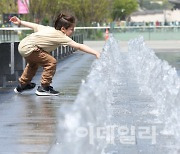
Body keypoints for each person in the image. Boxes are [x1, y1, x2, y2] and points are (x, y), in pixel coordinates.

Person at [10, 13, 100, 96]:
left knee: (33, 64)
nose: (73, 31)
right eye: (71, 29)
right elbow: (79, 46)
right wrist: (95, 52)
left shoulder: (49, 29)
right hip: (30, 47)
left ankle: (22, 85)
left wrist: (20, 22)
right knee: (51, 62)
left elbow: (34, 25)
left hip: (23, 46)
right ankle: (44, 88)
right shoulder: (61, 36)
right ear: (63, 29)